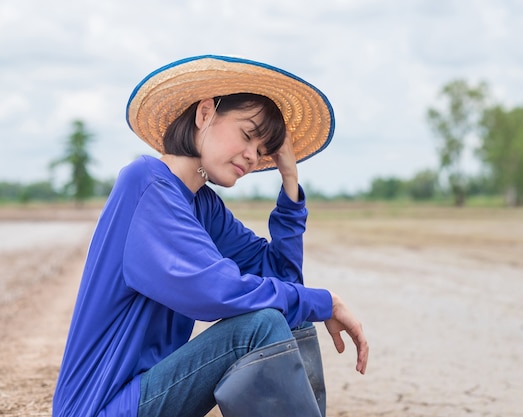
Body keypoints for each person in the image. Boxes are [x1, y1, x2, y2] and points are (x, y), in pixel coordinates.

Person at [52, 55, 368, 417]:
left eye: (264, 151)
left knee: (282, 312)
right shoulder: (146, 184)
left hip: (147, 396)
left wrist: (291, 184)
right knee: (262, 325)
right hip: (101, 407)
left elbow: (282, 278)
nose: (252, 157)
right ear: (205, 114)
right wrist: (324, 302)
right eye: (247, 135)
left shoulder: (203, 205)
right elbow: (215, 291)